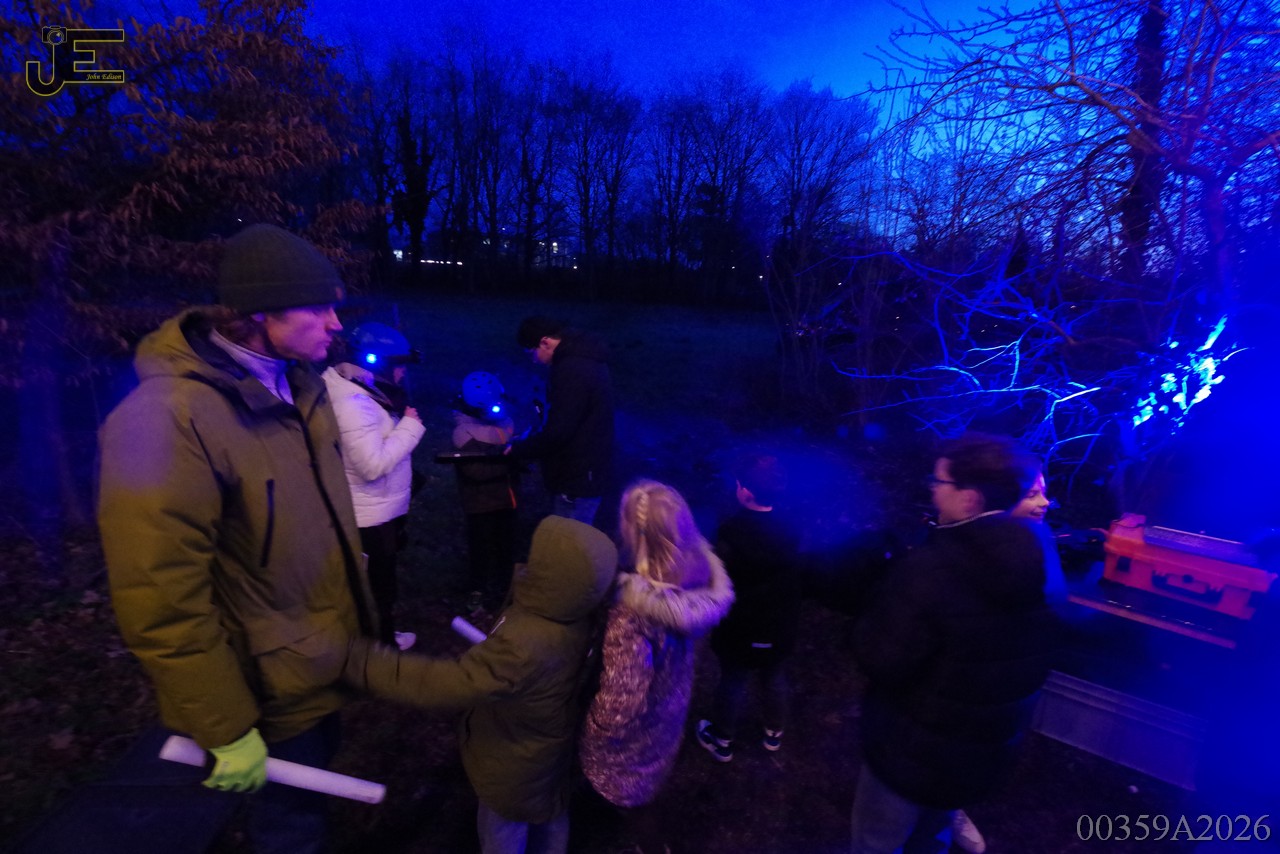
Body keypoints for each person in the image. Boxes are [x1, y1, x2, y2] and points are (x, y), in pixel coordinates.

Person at [98, 223, 375, 854]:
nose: (336, 325)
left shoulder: (301, 385)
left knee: (311, 806)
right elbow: (161, 597)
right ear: (257, 315)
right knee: (290, 831)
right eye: (318, 308)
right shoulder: (167, 419)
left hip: (314, 661)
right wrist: (222, 723)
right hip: (264, 687)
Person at [343, 515, 617, 854]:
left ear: (552, 575)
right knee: (547, 811)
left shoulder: (525, 645)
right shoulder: (577, 615)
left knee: (503, 828)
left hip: (510, 766)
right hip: (547, 756)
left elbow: (450, 682)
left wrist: (369, 664)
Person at [850, 433, 1055, 854]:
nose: (932, 489)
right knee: (933, 837)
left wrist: (864, 620)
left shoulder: (931, 570)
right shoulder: (1039, 558)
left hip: (910, 751)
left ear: (969, 499)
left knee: (876, 841)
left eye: (940, 482)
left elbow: (882, 659)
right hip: (978, 753)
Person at [579, 480, 734, 837]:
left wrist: (590, 731)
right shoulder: (699, 579)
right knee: (647, 787)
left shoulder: (634, 616)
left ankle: (641, 837)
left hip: (631, 738)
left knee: (632, 800)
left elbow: (621, 701)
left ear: (637, 535)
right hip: (668, 710)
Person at [322, 321, 426, 651]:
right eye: (398, 366)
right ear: (379, 363)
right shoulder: (354, 404)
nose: (402, 374)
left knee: (378, 583)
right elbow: (371, 465)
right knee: (377, 587)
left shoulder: (360, 389)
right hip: (370, 517)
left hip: (376, 508)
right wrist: (409, 426)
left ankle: (380, 638)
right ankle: (380, 651)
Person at [696, 454, 803, 762]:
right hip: (778, 627)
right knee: (774, 676)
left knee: (733, 680)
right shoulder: (791, 528)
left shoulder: (730, 531)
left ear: (745, 492)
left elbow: (719, 576)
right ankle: (774, 732)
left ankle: (723, 739)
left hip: (740, 629)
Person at [505, 315, 615, 527]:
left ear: (545, 342)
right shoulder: (585, 359)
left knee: (569, 540)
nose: (533, 360)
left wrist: (520, 449)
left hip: (578, 479)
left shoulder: (572, 370)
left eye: (531, 352)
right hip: (587, 471)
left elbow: (559, 431)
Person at [451, 371, 520, 612]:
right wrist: (511, 463)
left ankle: (506, 589)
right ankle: (477, 591)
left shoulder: (504, 424)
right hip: (479, 505)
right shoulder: (463, 433)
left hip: (506, 500)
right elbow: (475, 471)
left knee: (506, 547)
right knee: (480, 548)